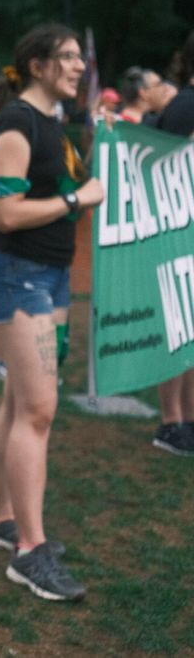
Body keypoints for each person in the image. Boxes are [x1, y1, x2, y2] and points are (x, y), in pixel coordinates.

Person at [0, 23, 103, 602]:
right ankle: (29, 550)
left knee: (18, 401)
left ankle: (0, 517)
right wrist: (79, 199)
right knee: (40, 411)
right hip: (16, 273)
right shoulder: (17, 122)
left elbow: (58, 183)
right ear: (37, 66)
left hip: (48, 275)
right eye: (68, 57)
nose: (78, 66)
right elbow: (5, 213)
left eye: (79, 57)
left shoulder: (53, 122)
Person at [151, 32, 194, 455]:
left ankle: (189, 418)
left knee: (191, 331)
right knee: (176, 330)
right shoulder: (184, 106)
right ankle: (170, 422)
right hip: (177, 231)